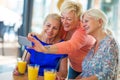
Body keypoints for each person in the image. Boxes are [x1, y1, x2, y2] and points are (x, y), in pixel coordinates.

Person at [28, 0, 95, 79]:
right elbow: (51, 31)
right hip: (74, 67)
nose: (64, 22)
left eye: (69, 19)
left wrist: (44, 49)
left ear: (78, 19)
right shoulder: (64, 26)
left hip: (90, 69)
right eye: (62, 17)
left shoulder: (83, 31)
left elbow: (70, 46)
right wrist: (37, 35)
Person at [13, 13, 68, 78]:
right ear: (43, 25)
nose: (50, 30)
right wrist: (19, 70)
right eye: (48, 25)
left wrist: (59, 74)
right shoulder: (33, 40)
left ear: (58, 30)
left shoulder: (62, 46)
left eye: (55, 28)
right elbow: (24, 64)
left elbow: (64, 73)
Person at [75, 9, 119, 80]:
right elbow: (87, 72)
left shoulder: (110, 43)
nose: (83, 25)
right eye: (82, 22)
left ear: (100, 22)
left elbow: (108, 74)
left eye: (86, 21)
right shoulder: (94, 44)